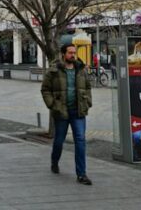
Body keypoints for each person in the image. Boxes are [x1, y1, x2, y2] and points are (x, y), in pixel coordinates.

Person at [41, 43, 93, 186]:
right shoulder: (54, 70)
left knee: (80, 140)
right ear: (63, 54)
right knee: (59, 140)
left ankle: (81, 174)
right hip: (61, 111)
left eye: (74, 52)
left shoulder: (80, 69)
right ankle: (54, 161)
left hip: (78, 111)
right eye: (70, 52)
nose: (73, 55)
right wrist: (52, 105)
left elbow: (88, 86)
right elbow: (45, 89)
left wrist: (87, 101)